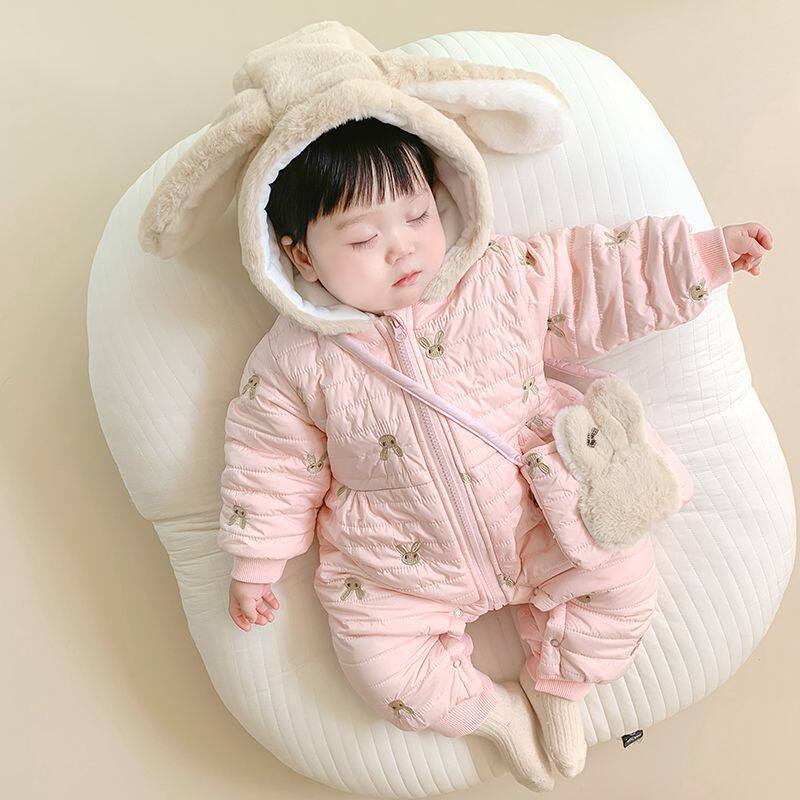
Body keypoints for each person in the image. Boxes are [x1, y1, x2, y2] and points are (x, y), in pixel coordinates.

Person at [217, 117, 771, 791]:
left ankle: (559, 684)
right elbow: (269, 461)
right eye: (363, 239)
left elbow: (598, 276)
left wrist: (702, 258)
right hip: (399, 557)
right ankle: (493, 716)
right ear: (301, 256)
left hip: (545, 513)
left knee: (627, 580)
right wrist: (256, 561)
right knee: (376, 665)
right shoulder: (293, 360)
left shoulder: (499, 276)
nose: (402, 248)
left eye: (417, 216)